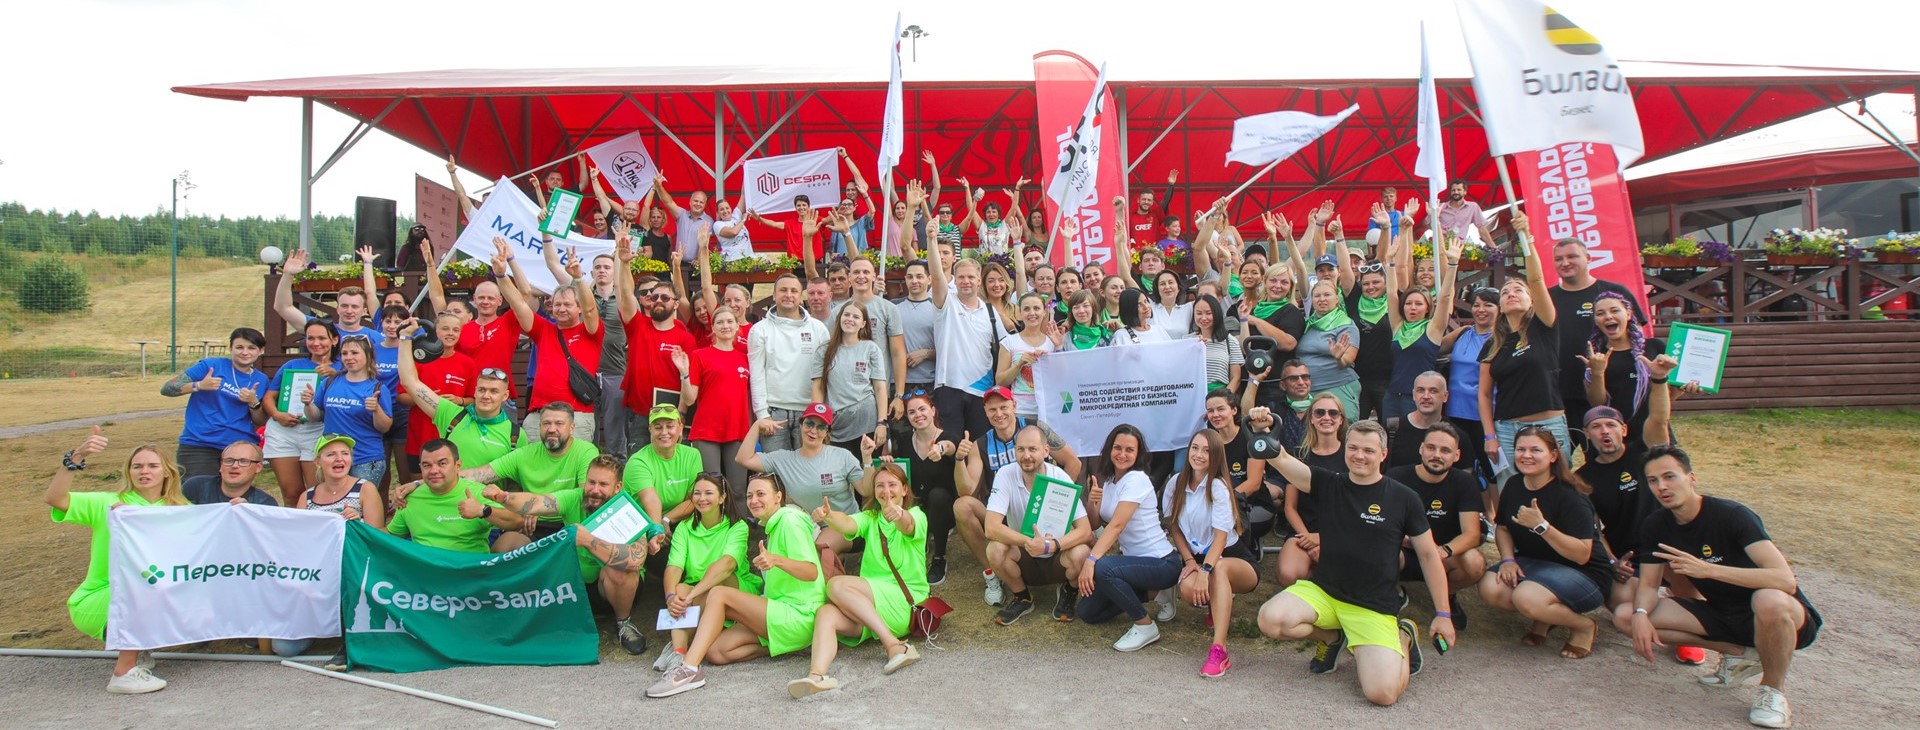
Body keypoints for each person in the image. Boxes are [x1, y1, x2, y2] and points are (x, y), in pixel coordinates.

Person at [1256, 419, 1456, 707]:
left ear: (1383, 454)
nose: (1359, 456)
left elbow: (1427, 555)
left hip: (1372, 606)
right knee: (1270, 619)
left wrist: (1443, 614)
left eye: (1368, 450)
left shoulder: (1404, 498)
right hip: (1325, 593)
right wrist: (1263, 432)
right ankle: (1333, 637)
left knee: (1383, 695)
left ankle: (1403, 636)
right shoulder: (1329, 483)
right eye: (1353, 448)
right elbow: (1283, 460)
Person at [1622, 445, 1823, 730]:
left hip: (1784, 618)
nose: (1661, 487)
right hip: (1723, 614)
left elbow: (1785, 580)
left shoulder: (1732, 515)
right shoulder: (1655, 525)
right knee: (1625, 616)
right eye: (1653, 481)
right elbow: (1649, 583)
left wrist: (1708, 570)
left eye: (1669, 477)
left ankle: (1773, 692)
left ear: (1691, 478)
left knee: (1768, 600)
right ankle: (1740, 653)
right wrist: (1641, 613)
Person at [646, 473, 825, 698]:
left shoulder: (789, 519)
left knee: (719, 593)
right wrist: (673, 596)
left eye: (761, 494)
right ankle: (791, 645)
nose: (754, 500)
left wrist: (777, 560)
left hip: (799, 613)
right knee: (716, 651)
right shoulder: (773, 525)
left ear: (778, 497)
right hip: (782, 613)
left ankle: (689, 669)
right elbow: (674, 568)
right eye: (749, 496)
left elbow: (811, 572)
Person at [44, 428, 188, 693]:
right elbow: (55, 498)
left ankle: (139, 646)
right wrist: (76, 457)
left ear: (167, 472)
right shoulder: (108, 503)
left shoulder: (182, 509)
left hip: (151, 595)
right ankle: (124, 673)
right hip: (99, 599)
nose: (144, 471)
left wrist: (236, 511)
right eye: (137, 466)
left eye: (153, 466)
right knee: (143, 587)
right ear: (128, 472)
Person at [482, 455, 656, 655]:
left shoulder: (628, 510)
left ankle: (623, 623)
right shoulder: (575, 497)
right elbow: (538, 502)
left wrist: (589, 541)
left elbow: (635, 559)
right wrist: (504, 497)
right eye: (591, 482)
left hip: (609, 592)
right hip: (572, 586)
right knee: (513, 543)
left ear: (618, 487)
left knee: (620, 569)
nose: (595, 490)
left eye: (603, 484)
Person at [791, 462, 928, 696]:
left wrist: (899, 515)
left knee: (836, 584)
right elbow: (848, 523)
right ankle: (817, 676)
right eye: (880, 486)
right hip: (872, 607)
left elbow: (908, 525)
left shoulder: (916, 515)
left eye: (892, 485)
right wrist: (828, 515)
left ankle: (894, 646)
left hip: (905, 602)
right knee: (826, 613)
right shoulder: (870, 518)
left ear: (904, 489)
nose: (886, 491)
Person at [1478, 427, 1610, 660]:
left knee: (1525, 596)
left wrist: (1542, 527)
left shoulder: (1570, 495)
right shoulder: (1514, 484)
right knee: (1491, 587)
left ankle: (1583, 626)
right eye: (1521, 449)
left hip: (1585, 573)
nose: (1526, 455)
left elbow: (1582, 555)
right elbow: (1503, 528)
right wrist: (1507, 560)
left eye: (1535, 450)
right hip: (1538, 565)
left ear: (1553, 455)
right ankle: (1546, 616)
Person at [1578, 354, 1680, 609]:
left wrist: (1659, 379)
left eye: (1611, 425)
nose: (1604, 431)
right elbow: (1592, 529)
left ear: (1623, 430)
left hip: (1671, 546)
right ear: (1587, 435)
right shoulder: (1582, 478)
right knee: (1620, 604)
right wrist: (1613, 561)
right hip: (1630, 556)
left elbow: (1658, 419)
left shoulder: (1646, 452)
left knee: (1694, 590)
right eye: (1596, 427)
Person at [1478, 210, 1567, 491]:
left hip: (1549, 425)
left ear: (1531, 301)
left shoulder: (1544, 327)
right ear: (1500, 306)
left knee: (1558, 489)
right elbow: (1484, 394)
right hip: (1507, 430)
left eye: (1518, 290)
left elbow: (1537, 280)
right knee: (1511, 492)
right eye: (1505, 293)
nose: (1511, 294)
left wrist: (1526, 237)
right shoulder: (1493, 343)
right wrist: (1490, 436)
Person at [1075, 424, 1181, 651]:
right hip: (1134, 565)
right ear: (1109, 450)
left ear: (1138, 453)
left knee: (1103, 568)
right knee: (1088, 612)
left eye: (1130, 450)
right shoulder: (1109, 481)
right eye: (1118, 448)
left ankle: (1145, 625)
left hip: (1161, 562)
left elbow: (1116, 526)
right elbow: (1095, 524)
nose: (1122, 454)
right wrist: (1093, 502)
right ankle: (1156, 592)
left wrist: (1090, 561)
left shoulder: (1137, 479)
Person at [1162, 428, 1259, 677]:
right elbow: (1174, 527)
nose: (1199, 455)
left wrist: (1205, 571)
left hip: (1233, 557)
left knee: (1219, 569)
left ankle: (1219, 650)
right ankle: (1216, 605)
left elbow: (1221, 538)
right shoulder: (1175, 483)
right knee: (1187, 588)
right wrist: (1189, 561)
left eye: (1206, 450)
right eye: (1195, 448)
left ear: (1216, 456)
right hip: (1199, 557)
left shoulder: (1218, 486)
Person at [738, 404, 875, 576]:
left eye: (821, 427)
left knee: (816, 551)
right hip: (809, 525)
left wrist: (867, 457)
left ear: (827, 432)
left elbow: (866, 490)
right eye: (809, 424)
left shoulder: (842, 456)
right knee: (804, 552)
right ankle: (837, 569)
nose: (814, 431)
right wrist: (757, 425)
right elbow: (743, 458)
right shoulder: (784, 459)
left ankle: (832, 580)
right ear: (801, 425)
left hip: (844, 524)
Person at [977, 426, 1093, 626]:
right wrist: (1029, 542)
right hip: (1024, 556)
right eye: (1020, 449)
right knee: (994, 549)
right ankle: (1022, 597)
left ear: (1046, 451)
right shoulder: (1005, 474)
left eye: (1032, 449)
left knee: (1082, 552)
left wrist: (1050, 545)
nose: (1026, 456)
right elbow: (991, 528)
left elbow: (1085, 530)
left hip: (1057, 556)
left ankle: (1069, 590)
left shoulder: (1060, 477)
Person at [490, 238, 601, 437]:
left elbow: (591, 309)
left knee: (574, 460)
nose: (561, 309)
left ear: (579, 308)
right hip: (539, 415)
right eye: (557, 305)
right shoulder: (544, 330)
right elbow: (519, 304)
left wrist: (578, 279)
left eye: (567, 305)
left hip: (576, 415)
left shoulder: (590, 331)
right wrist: (501, 275)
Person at [443, 403, 601, 542]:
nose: (552, 429)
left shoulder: (585, 451)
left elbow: (585, 495)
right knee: (505, 548)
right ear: (539, 427)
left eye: (559, 423)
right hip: (530, 525)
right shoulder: (525, 454)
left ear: (572, 428)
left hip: (570, 525)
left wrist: (537, 507)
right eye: (546, 423)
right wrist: (435, 478)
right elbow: (480, 474)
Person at [1382, 424, 1485, 631]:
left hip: (1443, 556)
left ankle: (1447, 595)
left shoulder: (1464, 482)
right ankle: (1392, 595)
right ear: (1421, 449)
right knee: (1380, 551)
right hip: (1405, 551)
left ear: (1456, 456)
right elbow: (1383, 524)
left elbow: (1472, 534)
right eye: (1431, 448)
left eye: (1445, 450)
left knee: (1475, 562)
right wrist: (1412, 543)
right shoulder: (1396, 477)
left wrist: (1444, 550)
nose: (1437, 455)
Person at [1548, 236, 1647, 444]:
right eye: (1558, 259)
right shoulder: (1547, 298)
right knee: (1557, 457)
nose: (1565, 263)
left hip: (1606, 394)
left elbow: (1638, 339)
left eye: (1572, 256)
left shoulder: (1614, 292)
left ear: (1588, 258)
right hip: (1559, 395)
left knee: (1606, 455)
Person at [656, 472, 757, 673]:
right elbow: (674, 566)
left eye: (709, 493)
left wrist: (691, 595)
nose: (702, 498)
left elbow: (727, 565)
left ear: (722, 497)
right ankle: (678, 652)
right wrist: (670, 598)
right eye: (697, 493)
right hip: (698, 592)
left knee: (718, 583)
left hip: (733, 586)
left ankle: (680, 644)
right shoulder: (684, 528)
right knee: (680, 589)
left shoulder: (737, 526)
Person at [921, 180, 998, 437]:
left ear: (979, 281)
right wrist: (931, 240)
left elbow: (1009, 344)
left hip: (982, 390)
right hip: (950, 386)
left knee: (979, 450)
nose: (966, 281)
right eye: (961, 276)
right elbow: (935, 275)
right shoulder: (946, 301)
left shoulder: (990, 312)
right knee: (951, 448)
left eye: (971, 277)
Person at [616, 234, 699, 445]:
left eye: (665, 297)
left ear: (676, 304)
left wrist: (681, 413)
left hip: (671, 416)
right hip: (639, 415)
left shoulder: (685, 338)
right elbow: (626, 295)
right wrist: (624, 265)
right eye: (654, 297)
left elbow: (689, 381)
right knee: (638, 462)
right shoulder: (637, 325)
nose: (658, 300)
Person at [398, 330, 522, 468]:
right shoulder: (451, 414)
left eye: (494, 391)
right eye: (482, 390)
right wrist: (405, 337)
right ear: (475, 391)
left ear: (505, 396)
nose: (486, 396)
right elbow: (410, 382)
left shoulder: (516, 435)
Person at [161, 327, 269, 479]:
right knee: (198, 491)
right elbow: (167, 388)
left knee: (234, 493)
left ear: (261, 350)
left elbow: (260, 420)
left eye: (251, 348)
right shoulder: (210, 366)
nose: (245, 352)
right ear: (230, 348)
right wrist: (198, 385)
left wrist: (253, 402)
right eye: (239, 347)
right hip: (200, 444)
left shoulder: (262, 380)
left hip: (240, 447)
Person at [389, 439, 522, 553]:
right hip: (425, 570)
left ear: (457, 465)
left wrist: (483, 510)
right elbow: (392, 539)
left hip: (469, 570)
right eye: (427, 465)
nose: (434, 470)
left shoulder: (477, 493)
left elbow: (517, 522)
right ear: (420, 467)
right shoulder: (410, 497)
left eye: (442, 463)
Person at [1384, 228, 1460, 427]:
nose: (1412, 307)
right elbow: (1391, 294)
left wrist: (1452, 264)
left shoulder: (1433, 328)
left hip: (1419, 398)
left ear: (1427, 308)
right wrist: (1389, 262)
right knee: (1390, 440)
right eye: (1409, 303)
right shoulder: (1399, 326)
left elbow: (1445, 298)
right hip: (1392, 396)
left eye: (1418, 304)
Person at [676, 307, 753, 497]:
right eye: (720, 322)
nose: (725, 326)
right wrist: (684, 374)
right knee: (711, 488)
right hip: (707, 430)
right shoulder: (700, 355)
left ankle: (738, 519)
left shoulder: (746, 359)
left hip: (737, 429)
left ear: (737, 326)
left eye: (729, 321)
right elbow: (690, 398)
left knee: (738, 490)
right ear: (713, 328)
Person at [1276, 393, 1350, 588]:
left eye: (1333, 413)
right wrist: (1308, 538)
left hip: (1343, 533)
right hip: (1304, 531)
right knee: (1288, 575)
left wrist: (1324, 539)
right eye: (1319, 413)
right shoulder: (1299, 455)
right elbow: (1290, 507)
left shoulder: (1352, 456)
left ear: (1341, 420)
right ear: (1311, 419)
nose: (1326, 417)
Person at [749, 273, 829, 451]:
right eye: (783, 290)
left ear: (801, 296)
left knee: (807, 466)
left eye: (794, 291)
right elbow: (756, 374)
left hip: (809, 412)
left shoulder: (818, 329)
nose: (788, 295)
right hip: (774, 413)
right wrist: (762, 414)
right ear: (774, 294)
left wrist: (820, 411)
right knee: (775, 467)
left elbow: (825, 373)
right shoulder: (759, 330)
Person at [1581, 291, 1671, 445]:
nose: (1608, 317)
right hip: (1614, 436)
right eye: (1600, 313)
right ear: (1595, 320)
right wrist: (1597, 372)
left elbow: (1669, 395)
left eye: (1615, 310)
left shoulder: (1654, 347)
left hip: (1654, 431)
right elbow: (1597, 403)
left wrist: (1684, 387)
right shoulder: (1596, 355)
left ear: (1628, 314)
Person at [263, 320, 337, 504]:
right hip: (284, 431)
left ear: (334, 340)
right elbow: (269, 397)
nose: (316, 343)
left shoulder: (343, 367)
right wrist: (277, 415)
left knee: (317, 492)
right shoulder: (292, 365)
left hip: (317, 430)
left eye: (322, 338)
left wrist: (335, 374)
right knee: (291, 492)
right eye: (310, 338)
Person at [302, 335, 393, 483]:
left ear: (368, 356)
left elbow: (384, 427)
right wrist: (307, 404)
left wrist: (376, 409)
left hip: (364, 458)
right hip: (334, 457)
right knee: (332, 496)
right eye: (344, 353)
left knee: (359, 498)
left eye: (355, 353)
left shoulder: (378, 388)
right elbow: (314, 417)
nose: (349, 357)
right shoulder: (330, 382)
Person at [400, 313, 478, 480]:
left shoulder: (468, 363)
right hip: (421, 431)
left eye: (455, 330)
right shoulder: (419, 359)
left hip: (453, 435)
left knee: (450, 481)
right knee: (418, 483)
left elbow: (473, 399)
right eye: (445, 328)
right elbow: (401, 396)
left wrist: (460, 401)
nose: (451, 333)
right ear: (435, 331)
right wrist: (425, 398)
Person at [897, 392, 963, 585]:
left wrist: (940, 449)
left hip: (944, 510)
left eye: (922, 409)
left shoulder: (948, 436)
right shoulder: (904, 441)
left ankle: (939, 557)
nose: (918, 415)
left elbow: (950, 446)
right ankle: (919, 540)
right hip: (917, 507)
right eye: (912, 412)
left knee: (937, 495)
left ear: (933, 411)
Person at [1444, 286, 1501, 498]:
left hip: (1484, 414)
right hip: (1455, 412)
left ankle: (1496, 514)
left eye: (1488, 305)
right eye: (1477, 305)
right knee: (1463, 468)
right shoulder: (1462, 333)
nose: (1481, 310)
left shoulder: (1501, 339)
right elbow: (1433, 348)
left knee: (1491, 468)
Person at [812, 302, 889, 453]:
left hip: (866, 421)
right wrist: (818, 420)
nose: (850, 319)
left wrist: (882, 423)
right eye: (846, 315)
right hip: (835, 423)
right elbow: (818, 387)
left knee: (866, 465)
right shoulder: (824, 350)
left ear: (863, 324)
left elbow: (880, 388)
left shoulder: (871, 349)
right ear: (839, 318)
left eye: (856, 317)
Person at [841, 255, 909, 421]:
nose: (861, 276)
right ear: (849, 277)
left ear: (874, 276)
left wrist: (899, 395)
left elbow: (898, 353)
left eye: (866, 272)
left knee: (880, 436)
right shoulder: (840, 312)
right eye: (856, 272)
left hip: (879, 393)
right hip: (846, 395)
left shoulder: (888, 309)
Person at [624, 404, 706, 538]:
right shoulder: (638, 461)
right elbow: (651, 500)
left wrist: (667, 519)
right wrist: (657, 531)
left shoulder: (692, 455)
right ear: (650, 429)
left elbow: (694, 499)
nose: (664, 432)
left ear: (680, 428)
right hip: (640, 524)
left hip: (674, 520)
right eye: (658, 427)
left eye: (670, 426)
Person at [1301, 277, 1361, 421]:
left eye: (1327, 295)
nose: (1322, 299)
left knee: (1342, 428)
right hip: (1309, 390)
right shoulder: (1307, 324)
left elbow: (1347, 360)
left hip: (1337, 387)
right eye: (1317, 295)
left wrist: (1339, 357)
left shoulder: (1346, 325)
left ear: (1337, 299)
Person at [298, 434, 387, 529]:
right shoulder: (306, 498)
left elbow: (376, 533)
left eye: (345, 453)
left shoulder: (366, 489)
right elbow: (300, 533)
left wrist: (358, 524)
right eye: (331, 454)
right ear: (317, 462)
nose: (339, 459)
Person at [995, 292, 1060, 417]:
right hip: (1020, 411)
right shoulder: (1009, 342)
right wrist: (1019, 364)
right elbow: (1001, 381)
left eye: (1036, 308)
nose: (1032, 313)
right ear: (1019, 313)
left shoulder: (1052, 343)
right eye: (1026, 309)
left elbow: (1061, 378)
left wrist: (1052, 356)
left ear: (1044, 312)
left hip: (1048, 411)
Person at [895, 259, 939, 403]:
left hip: (929, 382)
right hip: (898, 383)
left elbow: (949, 350)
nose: (914, 281)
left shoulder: (938, 309)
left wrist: (926, 353)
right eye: (910, 277)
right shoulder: (893, 308)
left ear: (929, 279)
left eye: (919, 276)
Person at [1386, 373, 1451, 470]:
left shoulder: (1455, 435)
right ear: (1413, 395)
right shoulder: (1391, 429)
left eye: (1433, 391)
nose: (1426, 396)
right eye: (1420, 390)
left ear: (1445, 396)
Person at [180, 442, 278, 505]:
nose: (235, 466)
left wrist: (249, 512)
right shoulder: (196, 487)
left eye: (243, 461)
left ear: (258, 467)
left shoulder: (265, 504)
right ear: (220, 465)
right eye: (229, 460)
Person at [650, 174, 714, 270]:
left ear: (705, 204)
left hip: (698, 265)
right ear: (690, 202)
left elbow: (706, 244)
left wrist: (699, 260)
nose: (698, 204)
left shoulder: (708, 221)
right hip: (680, 264)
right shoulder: (681, 214)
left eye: (701, 202)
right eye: (695, 201)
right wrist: (659, 186)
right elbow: (668, 202)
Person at [1191, 294, 1243, 393]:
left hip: (1219, 394)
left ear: (1217, 314)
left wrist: (1224, 399)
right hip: (1192, 395)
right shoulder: (1187, 341)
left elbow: (1236, 378)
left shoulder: (1230, 341)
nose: (1203, 318)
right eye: (1199, 313)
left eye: (1208, 313)